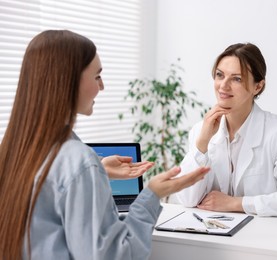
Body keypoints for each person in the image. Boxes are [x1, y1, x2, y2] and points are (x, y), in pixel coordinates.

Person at [0, 30, 210, 260]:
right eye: (97, 76)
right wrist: (152, 194)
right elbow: (115, 256)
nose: (102, 87)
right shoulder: (77, 160)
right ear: (69, 81)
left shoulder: (14, 149)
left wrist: (98, 169)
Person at [176, 43, 277, 218]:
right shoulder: (200, 131)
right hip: (215, 235)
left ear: (257, 87)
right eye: (220, 75)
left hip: (264, 238)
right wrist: (201, 145)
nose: (223, 86)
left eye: (237, 79)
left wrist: (235, 203)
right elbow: (187, 199)